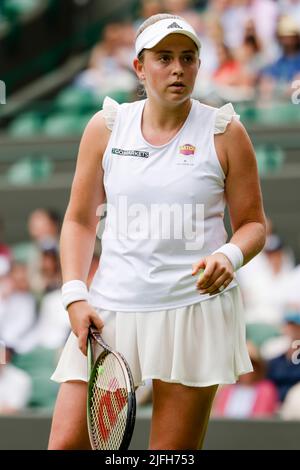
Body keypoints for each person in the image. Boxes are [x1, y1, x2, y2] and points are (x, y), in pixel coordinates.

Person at [48, 13, 266, 450]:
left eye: (188, 58)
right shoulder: (105, 128)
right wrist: (75, 294)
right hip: (109, 315)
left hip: (193, 313)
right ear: (139, 67)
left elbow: (253, 224)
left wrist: (229, 255)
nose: (177, 69)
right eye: (164, 57)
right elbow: (78, 220)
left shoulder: (226, 132)